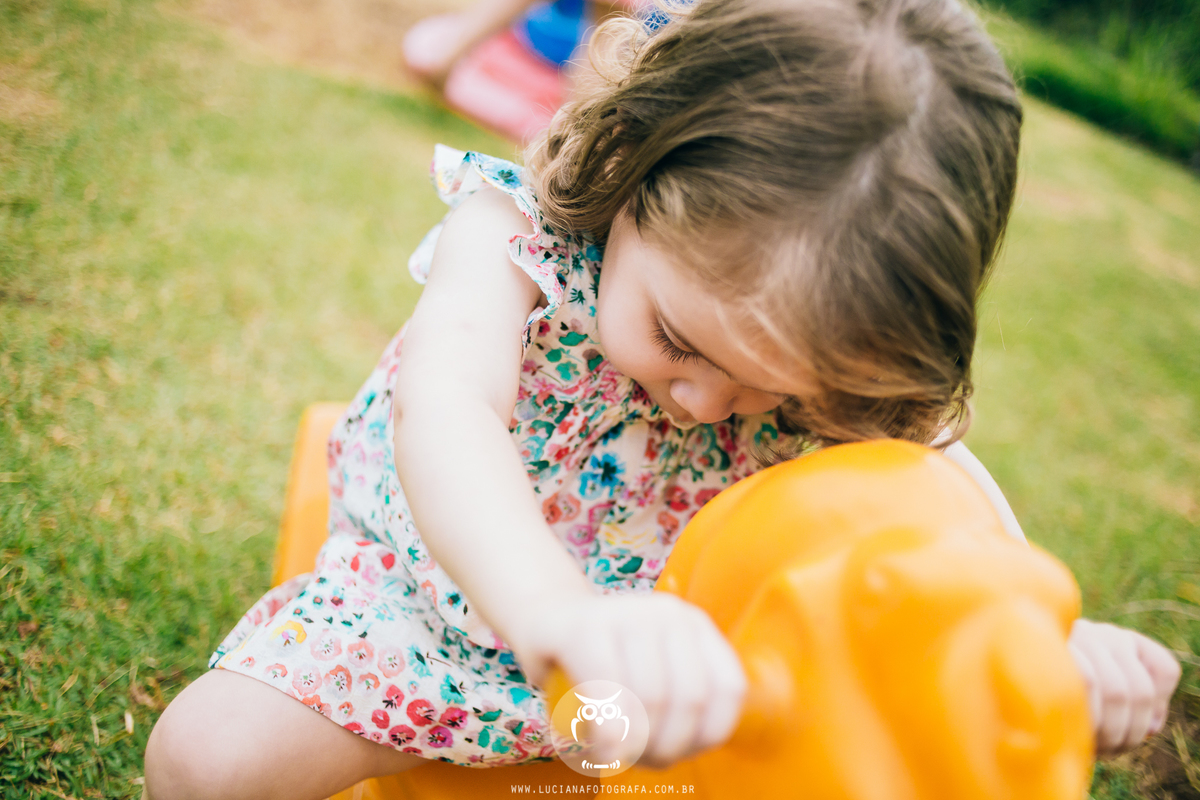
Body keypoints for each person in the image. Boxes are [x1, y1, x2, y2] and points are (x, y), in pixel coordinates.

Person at [143, 0, 1181, 797]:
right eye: (680, 338)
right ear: (629, 156)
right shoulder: (513, 242)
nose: (704, 397)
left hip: (667, 682)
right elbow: (447, 415)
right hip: (432, 619)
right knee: (205, 759)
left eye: (779, 387)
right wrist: (561, 616)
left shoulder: (842, 357)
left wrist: (1042, 624)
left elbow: (932, 475)